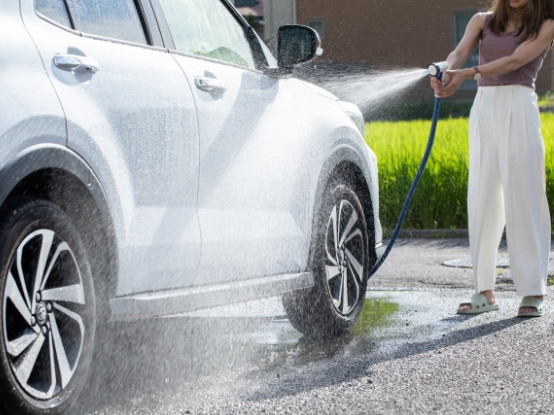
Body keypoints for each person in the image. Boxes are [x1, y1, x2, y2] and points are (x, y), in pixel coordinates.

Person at [431, 0, 554, 317]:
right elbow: (458, 54)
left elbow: (516, 60)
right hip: (484, 108)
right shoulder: (482, 21)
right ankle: (483, 291)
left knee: (523, 196)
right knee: (482, 196)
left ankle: (531, 291)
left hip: (519, 105)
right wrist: (446, 71)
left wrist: (468, 72)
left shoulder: (546, 24)